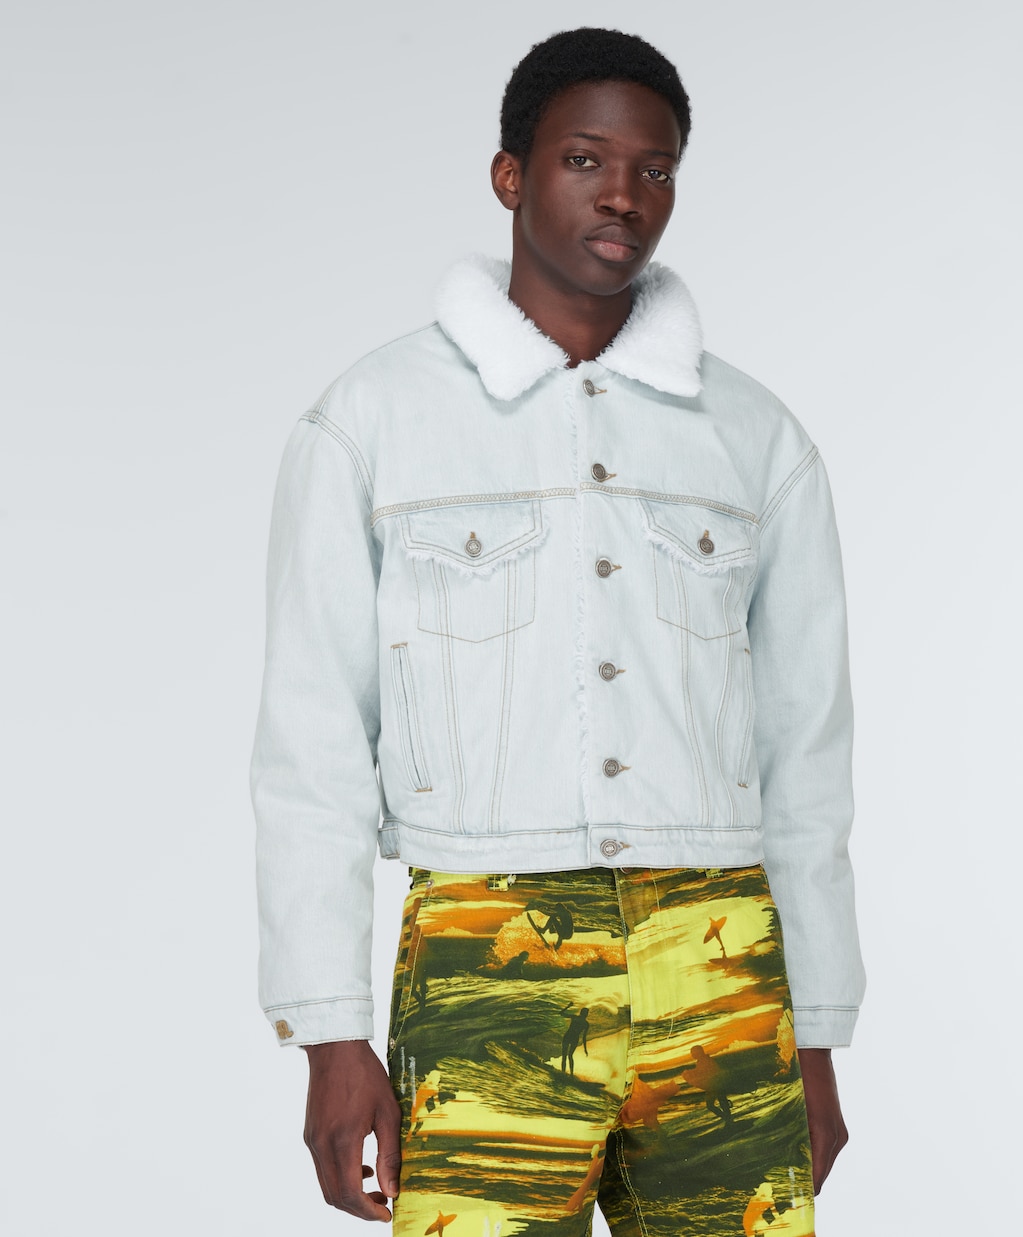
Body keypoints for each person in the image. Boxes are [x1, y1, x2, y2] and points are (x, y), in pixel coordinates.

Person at [251, 27, 866, 1236]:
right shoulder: (371, 421)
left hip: (722, 956)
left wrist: (816, 1030)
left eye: (654, 169)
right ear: (509, 175)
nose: (623, 195)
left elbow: (807, 753)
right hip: (486, 946)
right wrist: (327, 1029)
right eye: (585, 159)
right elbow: (309, 743)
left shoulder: (754, 438)